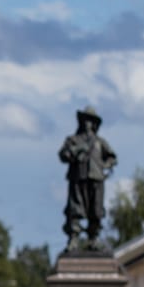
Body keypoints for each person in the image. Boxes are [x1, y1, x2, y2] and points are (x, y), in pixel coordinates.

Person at [58, 106, 118, 248]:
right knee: (75, 209)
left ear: (94, 124)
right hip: (78, 177)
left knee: (96, 210)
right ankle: (73, 238)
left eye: (90, 121)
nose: (87, 123)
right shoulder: (73, 140)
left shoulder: (99, 142)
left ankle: (93, 238)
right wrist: (76, 150)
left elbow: (112, 157)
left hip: (96, 178)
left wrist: (105, 165)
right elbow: (63, 155)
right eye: (85, 120)